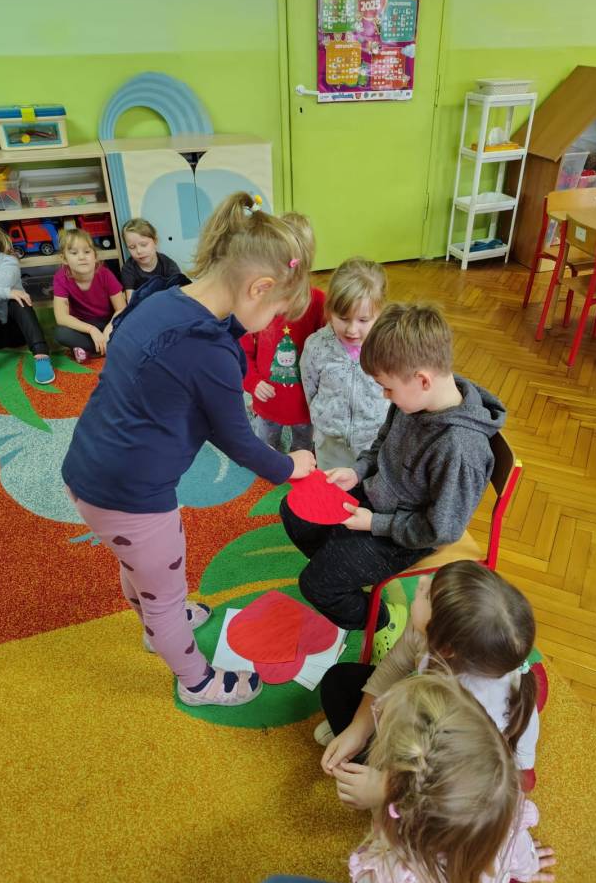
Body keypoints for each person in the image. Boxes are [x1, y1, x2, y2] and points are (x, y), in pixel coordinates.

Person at [61, 191, 316, 708]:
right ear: (259, 288)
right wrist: (290, 466)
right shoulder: (211, 354)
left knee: (138, 566)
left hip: (89, 468)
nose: (272, 322)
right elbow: (239, 440)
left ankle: (160, 619)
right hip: (132, 496)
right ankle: (195, 680)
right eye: (275, 311)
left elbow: (187, 390)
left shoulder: (163, 300)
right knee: (164, 591)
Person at [280, 303, 506, 661]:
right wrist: (358, 470)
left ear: (423, 380)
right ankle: (344, 572)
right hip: (377, 495)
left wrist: (375, 523)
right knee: (294, 511)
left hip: (408, 533)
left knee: (316, 584)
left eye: (387, 389)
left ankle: (383, 620)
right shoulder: (414, 398)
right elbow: (382, 443)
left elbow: (441, 530)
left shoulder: (460, 448)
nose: (385, 396)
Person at [317, 562, 541, 795]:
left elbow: (445, 792)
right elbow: (394, 665)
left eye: (427, 596)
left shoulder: (466, 716)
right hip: (430, 725)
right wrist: (359, 728)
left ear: (445, 648)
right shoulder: (430, 630)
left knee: (398, 801)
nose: (422, 582)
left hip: (458, 782)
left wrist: (381, 789)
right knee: (338, 681)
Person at [344, 672, 556, 883]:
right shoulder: (504, 815)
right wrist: (529, 866)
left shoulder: (387, 875)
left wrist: (380, 801)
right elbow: (521, 856)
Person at [241, 211, 325, 452]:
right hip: (267, 402)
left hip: (305, 406)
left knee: (304, 453)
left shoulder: (319, 302)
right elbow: (242, 351)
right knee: (266, 450)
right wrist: (253, 382)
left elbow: (328, 354)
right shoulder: (258, 300)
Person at [300, 257, 389, 470]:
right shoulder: (316, 346)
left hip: (374, 441)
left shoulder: (387, 346)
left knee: (369, 486)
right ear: (329, 310)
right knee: (330, 486)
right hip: (330, 442)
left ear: (380, 314)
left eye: (363, 320)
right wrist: (322, 419)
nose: (352, 330)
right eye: (343, 318)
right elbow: (310, 388)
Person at [0, 212, 55, 390]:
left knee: (18, 300)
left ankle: (42, 356)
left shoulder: (8, 260)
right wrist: (5, 292)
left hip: (19, 333)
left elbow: (5, 280)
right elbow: (0, 287)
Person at [52, 228, 126, 362]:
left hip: (108, 321)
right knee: (60, 333)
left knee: (129, 325)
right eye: (74, 253)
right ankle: (106, 347)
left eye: (87, 252)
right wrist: (91, 330)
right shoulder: (60, 277)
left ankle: (93, 349)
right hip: (83, 325)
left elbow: (121, 308)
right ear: (64, 259)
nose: (82, 257)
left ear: (95, 256)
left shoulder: (105, 274)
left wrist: (109, 328)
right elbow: (61, 317)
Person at [120, 217, 181, 301]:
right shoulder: (128, 269)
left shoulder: (168, 265)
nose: (139, 251)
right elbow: (130, 300)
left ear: (155, 241)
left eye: (144, 245)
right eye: (132, 247)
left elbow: (179, 293)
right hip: (142, 306)